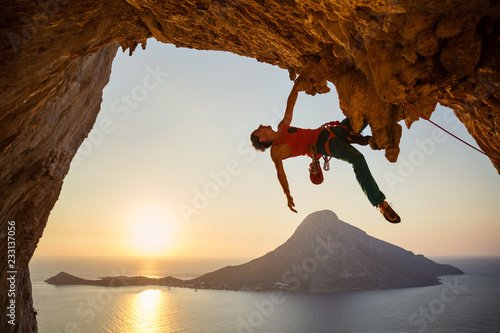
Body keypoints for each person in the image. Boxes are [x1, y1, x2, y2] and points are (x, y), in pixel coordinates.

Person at [250, 80, 401, 223]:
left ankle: (390, 104)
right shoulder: (276, 150)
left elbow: (291, 104)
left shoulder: (283, 126)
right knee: (357, 159)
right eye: (259, 129)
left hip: (329, 132)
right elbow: (280, 173)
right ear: (261, 138)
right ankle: (380, 203)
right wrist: (287, 194)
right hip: (323, 144)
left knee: (363, 115)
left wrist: (297, 84)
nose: (262, 125)